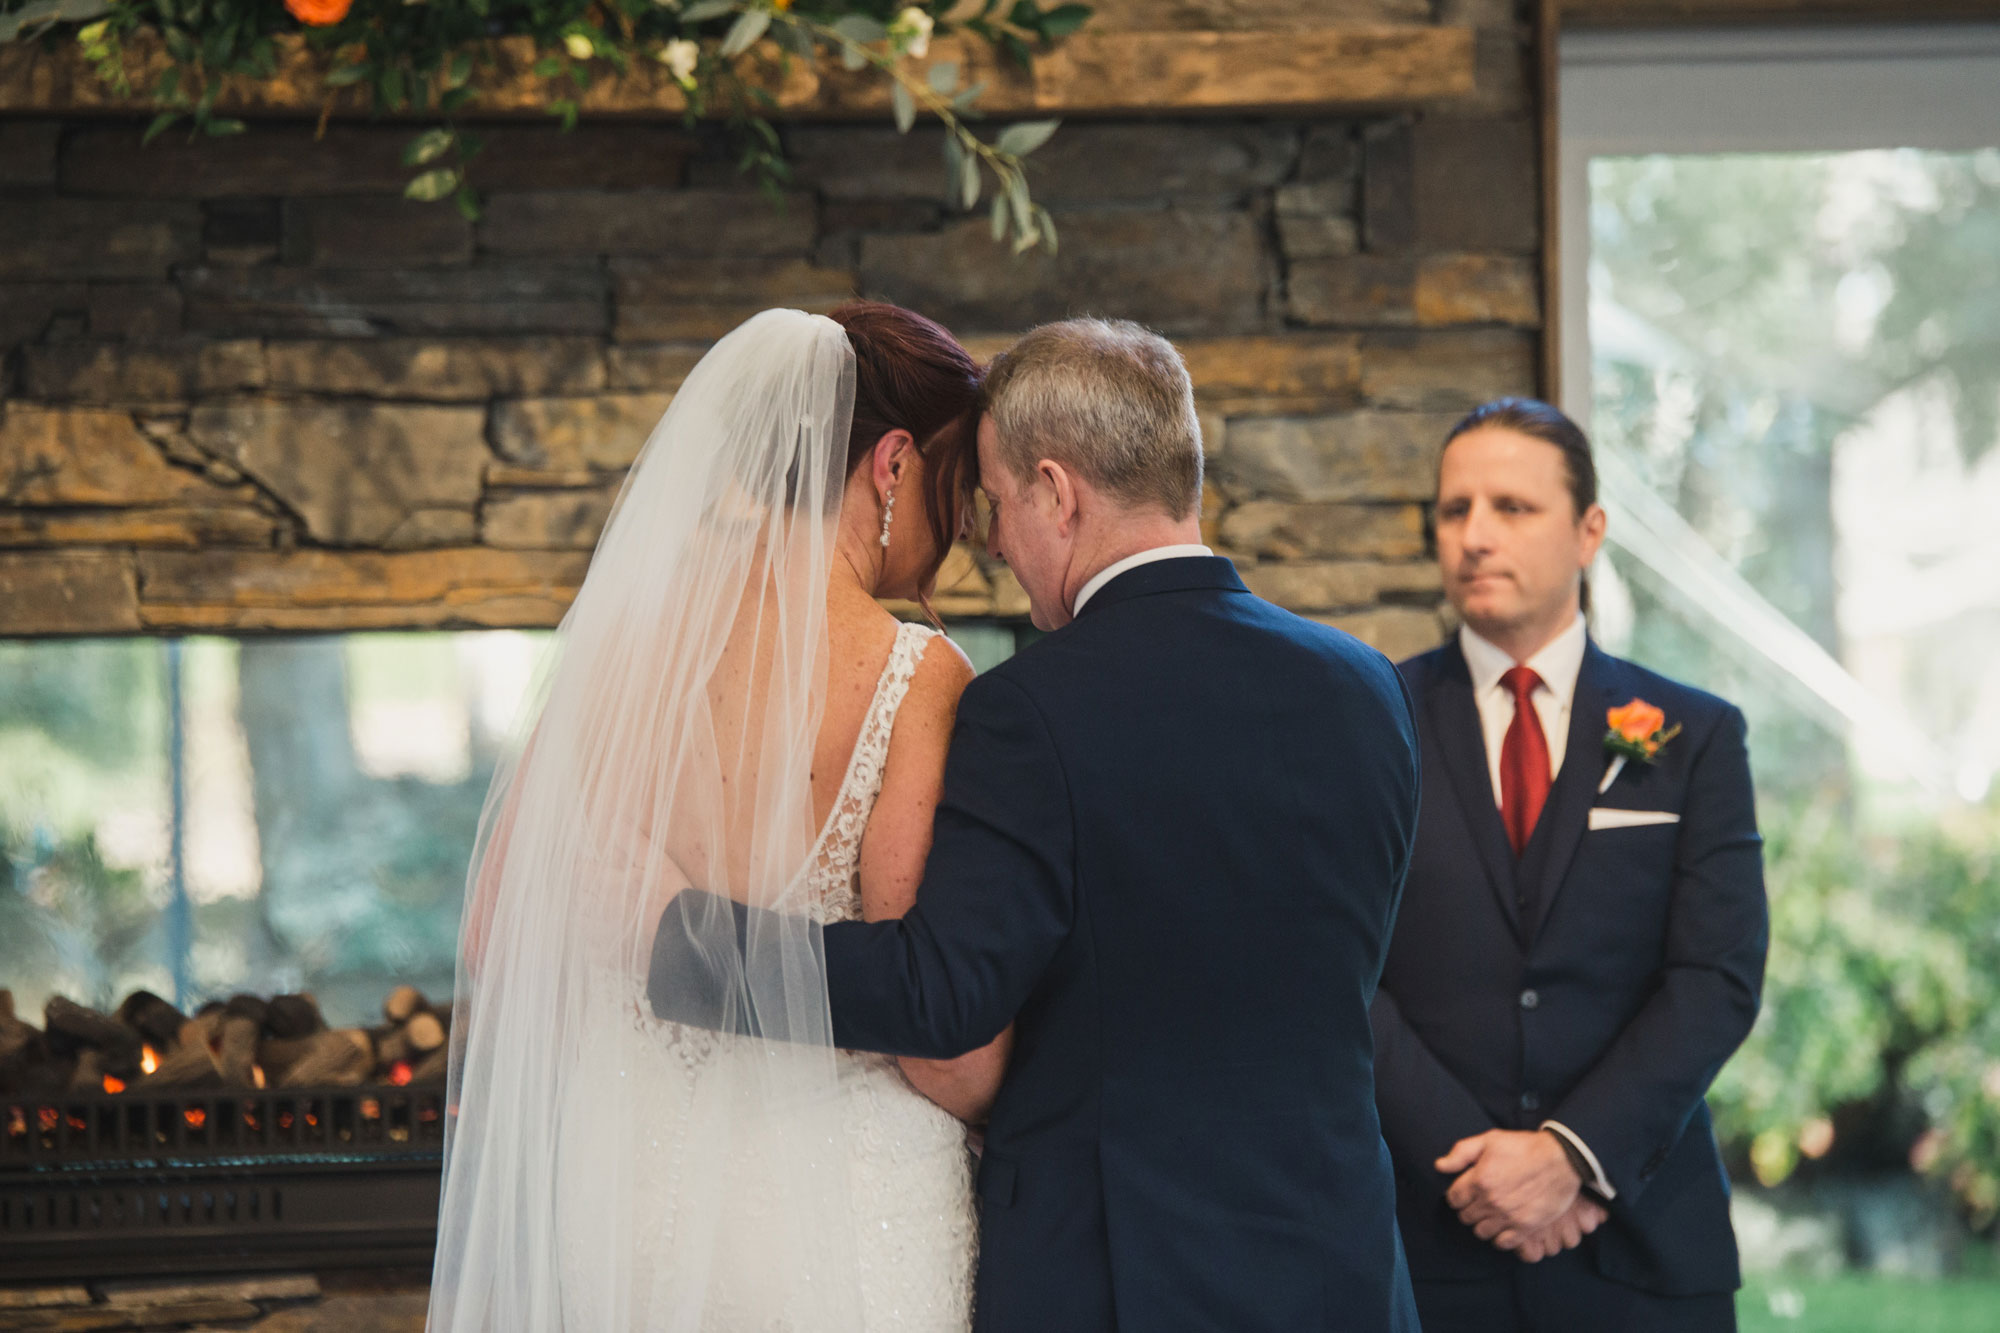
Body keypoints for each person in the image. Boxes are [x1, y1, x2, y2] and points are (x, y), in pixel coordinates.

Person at [655, 318, 1425, 1332]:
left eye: (997, 502)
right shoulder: (1365, 687)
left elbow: (943, 992)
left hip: (1117, 1270)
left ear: (1057, 493)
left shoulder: (1034, 706)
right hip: (1337, 1263)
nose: (991, 542)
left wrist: (684, 938)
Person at [428, 302, 1008, 1331]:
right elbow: (939, 1045)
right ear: (889, 465)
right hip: (838, 1216)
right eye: (955, 483)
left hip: (625, 1207)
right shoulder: (918, 679)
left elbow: (494, 935)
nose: (962, 526)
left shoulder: (622, 655)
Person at [1373, 397, 1769, 1332]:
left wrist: (1570, 1155)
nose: (1475, 535)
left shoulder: (1695, 736)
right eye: (1454, 509)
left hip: (1640, 1236)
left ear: (1589, 530)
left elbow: (1717, 974)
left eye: (1512, 507)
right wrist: (1475, 1166)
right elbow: (1340, 967)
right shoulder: (1370, 722)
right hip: (1431, 1243)